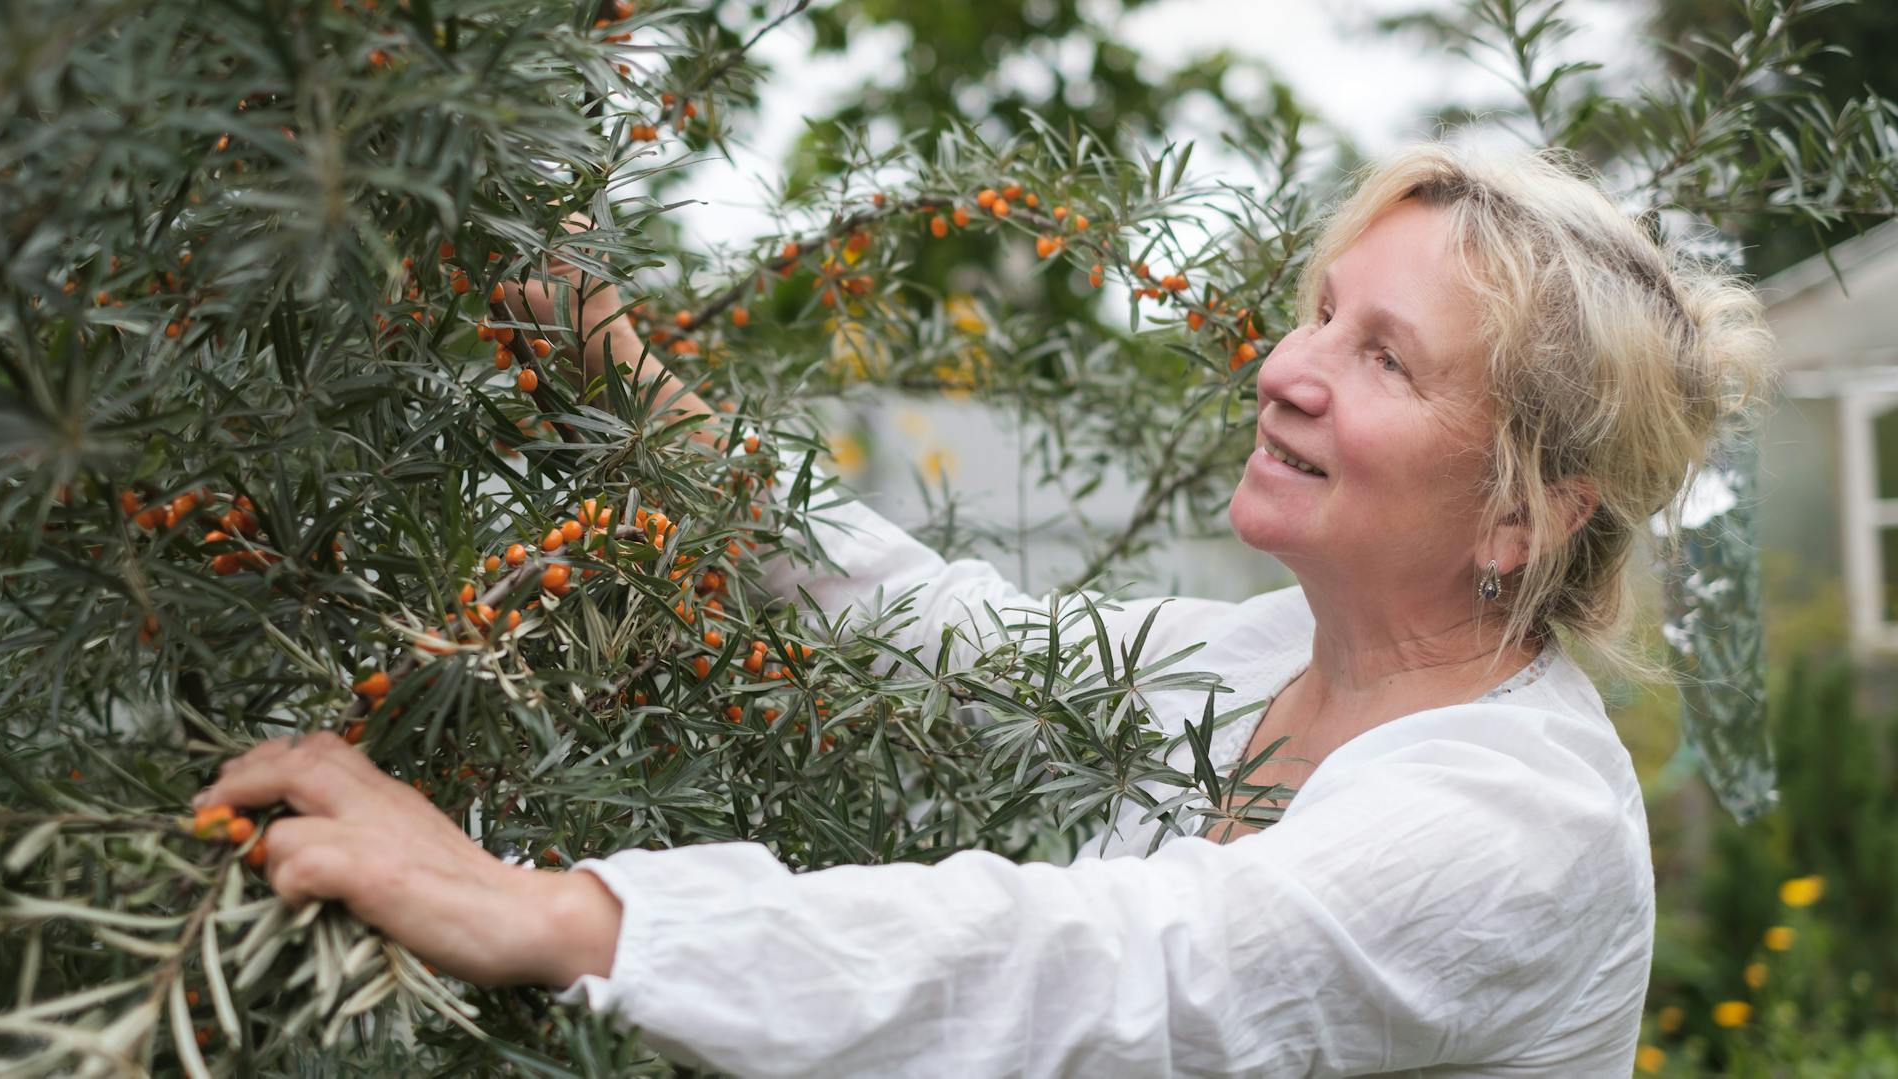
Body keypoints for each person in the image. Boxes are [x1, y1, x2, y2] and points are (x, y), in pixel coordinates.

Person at [193, 141, 1774, 1076]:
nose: (1282, 369)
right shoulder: (1261, 661)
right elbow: (946, 629)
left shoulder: (1507, 826)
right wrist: (630, 386)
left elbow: (1109, 968)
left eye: (1383, 358)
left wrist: (561, 914)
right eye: (1318, 314)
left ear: (1520, 511)